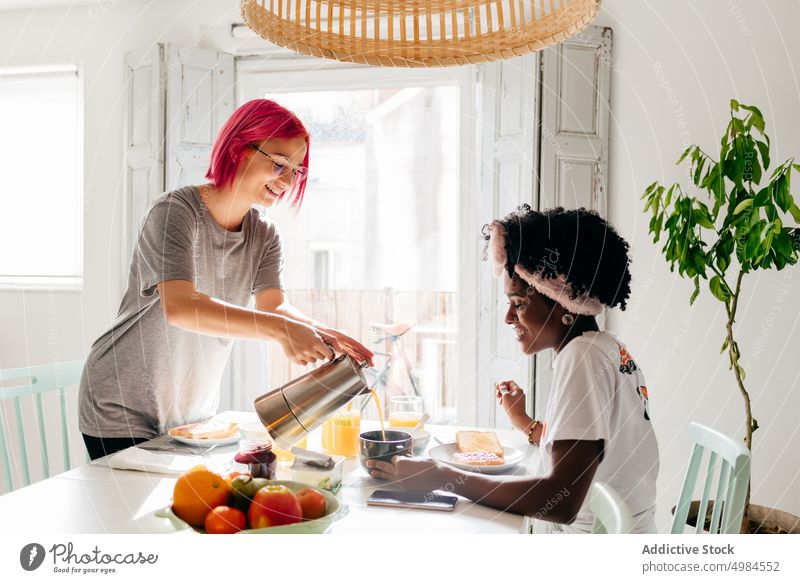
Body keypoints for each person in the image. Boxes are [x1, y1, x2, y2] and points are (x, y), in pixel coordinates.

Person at [79, 99, 373, 460]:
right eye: (279, 164)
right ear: (238, 147)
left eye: (295, 171)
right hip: (121, 403)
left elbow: (274, 306)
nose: (286, 180)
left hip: (191, 409)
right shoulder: (175, 213)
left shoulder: (264, 234)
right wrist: (281, 331)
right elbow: (182, 307)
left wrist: (326, 334)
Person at [368, 205, 659, 533]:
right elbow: (587, 454)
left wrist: (443, 477)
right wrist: (523, 422)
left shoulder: (582, 359)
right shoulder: (606, 348)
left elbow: (560, 499)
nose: (508, 317)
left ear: (563, 302)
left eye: (519, 303)